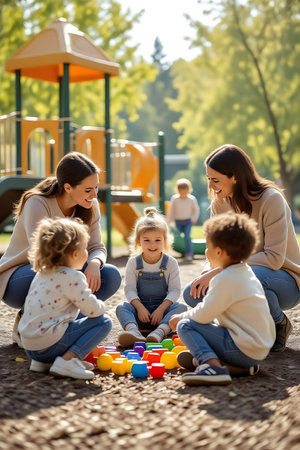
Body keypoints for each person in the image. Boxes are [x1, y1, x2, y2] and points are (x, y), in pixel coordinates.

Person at [183, 144, 300, 353]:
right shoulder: (219, 203)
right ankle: (237, 331)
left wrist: (219, 272)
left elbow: (274, 258)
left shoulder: (271, 200)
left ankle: (279, 322)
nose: (210, 186)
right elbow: (214, 251)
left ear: (235, 176)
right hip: (244, 273)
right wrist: (206, 273)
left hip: (285, 279)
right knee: (192, 293)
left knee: (246, 277)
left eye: (215, 180)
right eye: (208, 179)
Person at [0, 152, 121, 347]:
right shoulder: (37, 203)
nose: (94, 195)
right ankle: (26, 322)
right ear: (67, 187)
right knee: (66, 277)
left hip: (65, 272)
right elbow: (42, 255)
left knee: (110, 275)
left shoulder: (90, 205)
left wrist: (94, 263)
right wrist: (78, 273)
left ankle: (67, 332)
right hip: (22, 276)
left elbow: (97, 247)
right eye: (88, 189)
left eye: (96, 188)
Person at [169, 212, 276, 386]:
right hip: (258, 350)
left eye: (207, 246)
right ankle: (235, 367)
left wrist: (181, 317)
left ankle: (212, 366)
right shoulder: (245, 271)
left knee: (186, 325)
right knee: (206, 326)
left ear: (219, 251)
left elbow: (204, 315)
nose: (205, 251)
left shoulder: (224, 278)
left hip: (242, 349)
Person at [18, 217, 112, 380]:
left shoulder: (42, 274)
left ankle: (44, 363)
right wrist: (102, 306)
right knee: (104, 321)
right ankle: (68, 361)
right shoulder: (73, 276)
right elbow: (92, 310)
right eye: (85, 248)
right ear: (75, 253)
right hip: (48, 345)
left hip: (30, 347)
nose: (87, 253)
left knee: (61, 324)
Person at [116, 207, 187, 346]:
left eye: (157, 240)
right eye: (147, 240)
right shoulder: (133, 262)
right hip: (140, 313)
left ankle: (160, 332)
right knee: (121, 307)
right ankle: (133, 332)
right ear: (138, 242)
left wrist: (161, 310)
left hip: (162, 315)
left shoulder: (171, 263)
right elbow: (129, 289)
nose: (152, 244)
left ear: (165, 241)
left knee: (181, 307)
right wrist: (140, 308)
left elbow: (175, 290)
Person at [167, 178, 200, 262]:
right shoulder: (175, 199)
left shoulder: (191, 199)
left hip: (187, 221)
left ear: (188, 190)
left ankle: (189, 253)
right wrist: (170, 221)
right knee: (177, 237)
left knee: (187, 236)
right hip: (178, 221)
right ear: (177, 190)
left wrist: (194, 218)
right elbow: (171, 210)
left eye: (185, 190)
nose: (183, 193)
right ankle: (179, 251)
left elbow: (196, 210)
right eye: (181, 191)